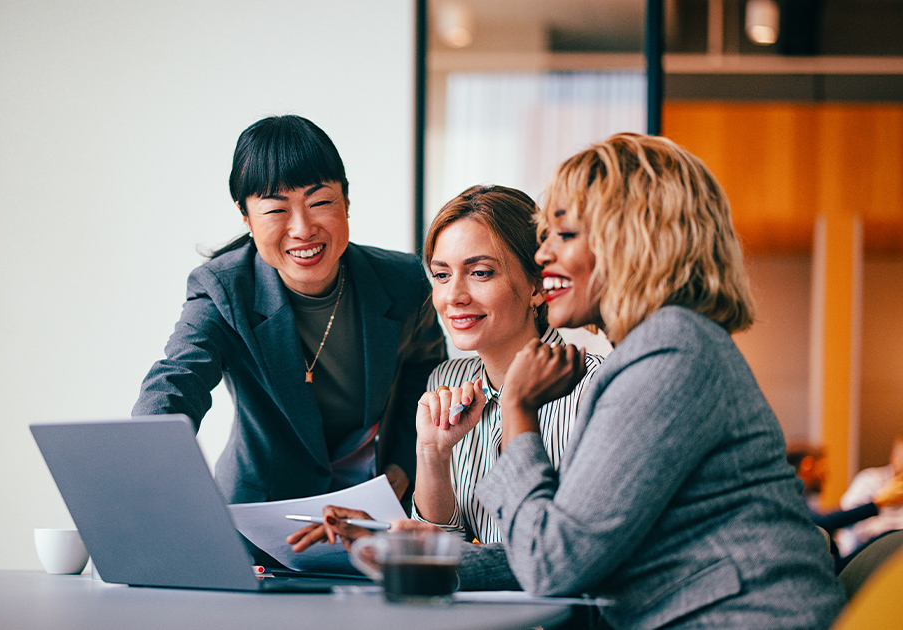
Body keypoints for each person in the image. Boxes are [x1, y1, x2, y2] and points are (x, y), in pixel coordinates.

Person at [318, 134, 845, 629]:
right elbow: (570, 545)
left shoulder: (670, 353)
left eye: (563, 236)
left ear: (634, 242)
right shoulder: (657, 348)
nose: (543, 255)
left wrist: (518, 410)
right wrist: (419, 555)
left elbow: (556, 563)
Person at [131, 115, 446, 506]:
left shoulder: (403, 282)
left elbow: (427, 377)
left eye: (320, 202)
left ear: (346, 201)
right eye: (276, 211)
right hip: (262, 512)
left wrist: (401, 470)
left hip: (373, 509)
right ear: (246, 217)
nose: (302, 228)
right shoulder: (223, 289)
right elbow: (178, 380)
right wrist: (144, 465)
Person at [408, 185, 602, 544]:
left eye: (480, 273)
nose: (454, 296)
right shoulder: (445, 382)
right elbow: (438, 552)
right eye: (441, 275)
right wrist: (433, 455)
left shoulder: (594, 387)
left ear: (537, 286)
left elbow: (568, 550)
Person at [836, 435, 903, 558]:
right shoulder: (869, 480)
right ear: (893, 458)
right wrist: (883, 500)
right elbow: (845, 521)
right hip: (859, 555)